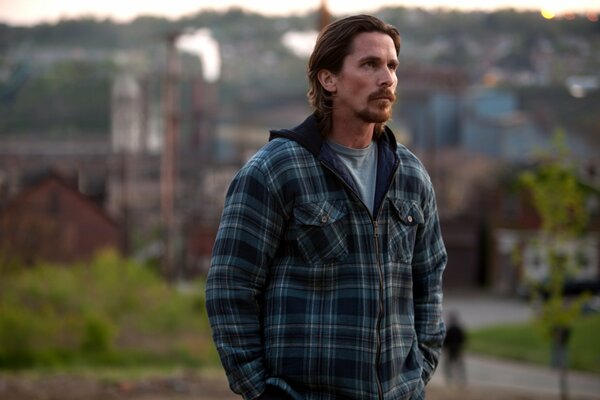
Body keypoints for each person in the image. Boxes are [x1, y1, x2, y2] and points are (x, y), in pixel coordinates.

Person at [206, 14, 447, 400]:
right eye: (370, 64)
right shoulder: (275, 170)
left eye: (391, 66)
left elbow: (429, 282)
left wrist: (417, 372)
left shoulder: (412, 176)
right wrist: (261, 390)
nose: (387, 79)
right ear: (328, 79)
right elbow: (229, 288)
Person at [442, 311, 467, 386]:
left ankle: (450, 379)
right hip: (457, 349)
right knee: (458, 365)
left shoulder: (449, 329)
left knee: (449, 365)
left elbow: (445, 341)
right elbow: (463, 340)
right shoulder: (458, 329)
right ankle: (460, 379)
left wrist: (445, 349)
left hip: (451, 350)